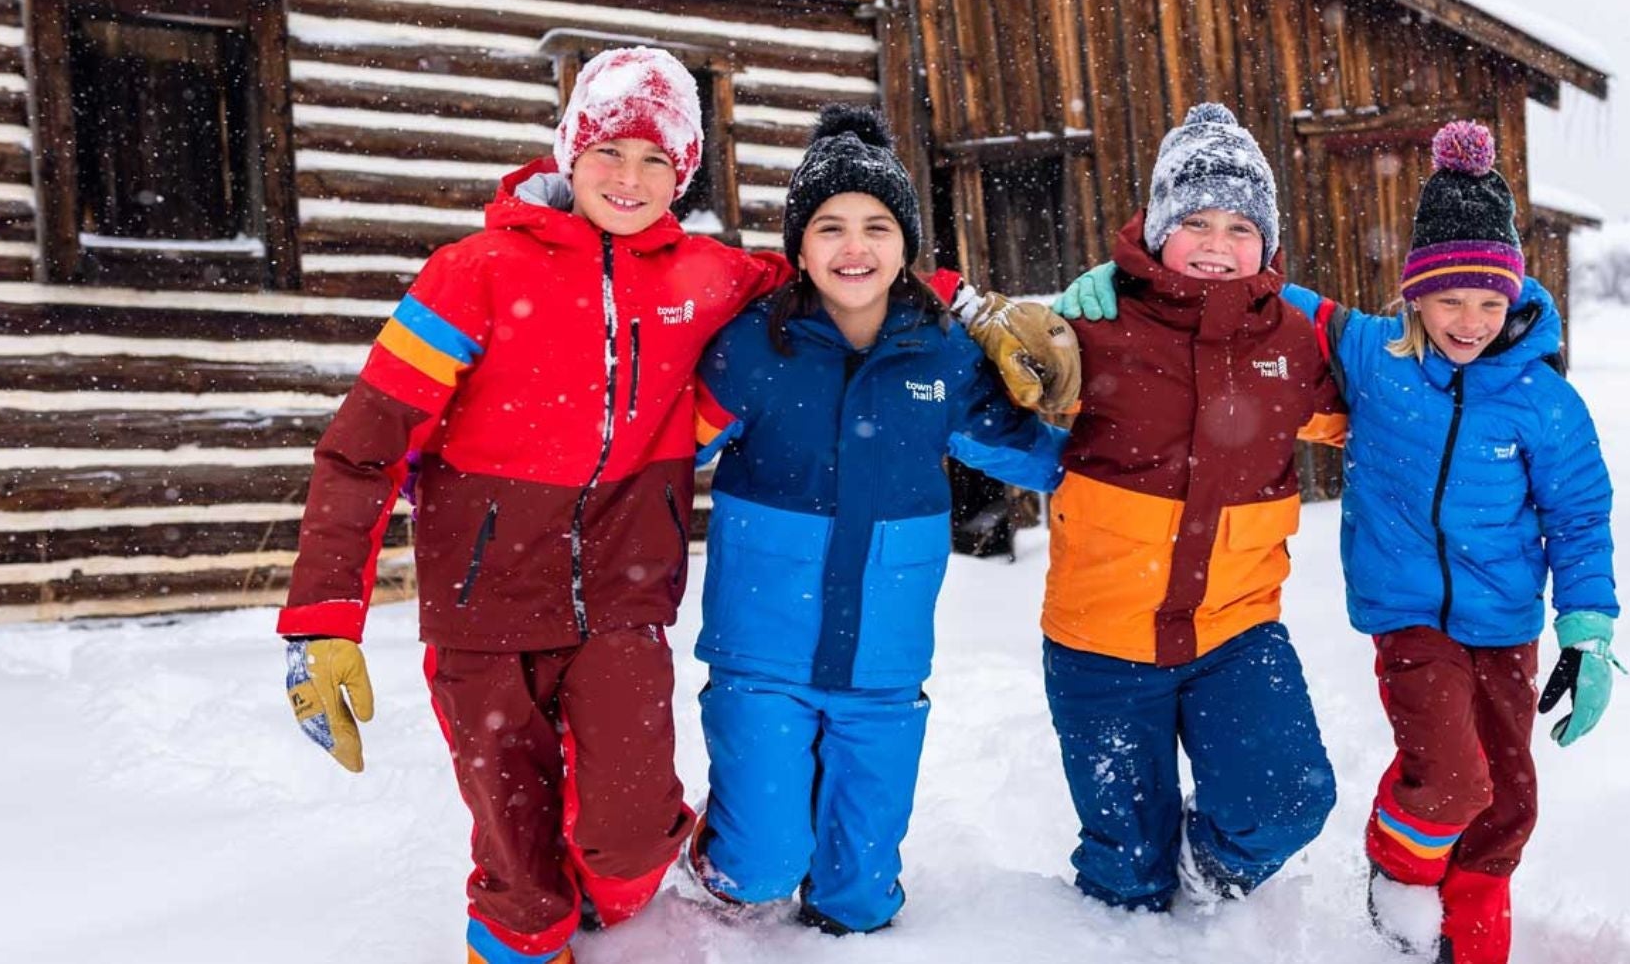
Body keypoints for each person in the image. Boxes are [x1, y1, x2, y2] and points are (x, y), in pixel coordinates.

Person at [276, 47, 1075, 964]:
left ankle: (615, 889)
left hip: (623, 594)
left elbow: (842, 268)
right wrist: (322, 615)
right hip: (482, 599)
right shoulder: (475, 273)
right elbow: (363, 447)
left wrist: (972, 309)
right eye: (610, 152)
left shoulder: (708, 277)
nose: (629, 178)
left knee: (628, 839)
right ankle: (518, 937)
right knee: (513, 832)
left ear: (683, 172)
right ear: (570, 151)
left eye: (656, 159)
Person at [1058, 120, 1620, 964]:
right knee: (1453, 783)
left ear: (1517, 299)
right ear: (1414, 294)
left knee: (1508, 803)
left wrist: (1588, 627)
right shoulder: (1370, 350)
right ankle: (1398, 875)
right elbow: (1250, 298)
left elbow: (1580, 516)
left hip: (1507, 623)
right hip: (1408, 616)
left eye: (1490, 301)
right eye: (1449, 298)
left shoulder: (1543, 400)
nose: (1469, 320)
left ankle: (1471, 948)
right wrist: (1119, 280)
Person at [683, 105, 1074, 935]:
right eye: (829, 226)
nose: (853, 247)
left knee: (857, 900)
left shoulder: (943, 352)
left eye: (876, 225)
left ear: (906, 246)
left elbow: (1033, 452)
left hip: (883, 663)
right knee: (758, 870)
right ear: (798, 245)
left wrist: (1111, 439)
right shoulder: (754, 347)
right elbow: (660, 454)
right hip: (763, 653)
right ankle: (729, 849)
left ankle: (835, 869)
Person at [1041, 102, 1347, 914]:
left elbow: (1382, 403)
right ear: (1156, 227)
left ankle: (1206, 881)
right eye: (1197, 221)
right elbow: (994, 393)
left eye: (1241, 227)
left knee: (1290, 798)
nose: (1217, 245)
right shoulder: (1089, 326)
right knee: (1123, 875)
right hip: (1100, 640)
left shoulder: (1290, 341)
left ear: (1269, 244)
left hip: (1235, 631)